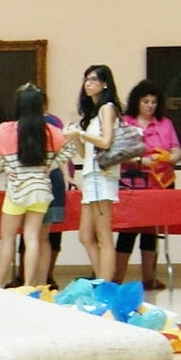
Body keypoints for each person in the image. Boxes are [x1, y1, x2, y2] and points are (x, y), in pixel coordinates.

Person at [0, 84, 64, 289]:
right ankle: (29, 285)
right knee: (33, 238)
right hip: (41, 190)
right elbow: (68, 146)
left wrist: (7, 164)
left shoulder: (8, 129)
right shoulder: (50, 131)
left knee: (7, 240)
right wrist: (51, 164)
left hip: (17, 190)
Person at [65, 62, 137, 281]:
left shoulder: (107, 108)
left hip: (102, 176)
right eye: (86, 79)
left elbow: (105, 142)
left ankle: (106, 285)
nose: (88, 84)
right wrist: (76, 137)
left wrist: (81, 134)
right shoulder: (94, 114)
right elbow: (85, 154)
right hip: (91, 175)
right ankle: (102, 279)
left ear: (105, 84)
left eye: (93, 79)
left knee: (103, 235)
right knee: (85, 235)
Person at [115, 77, 181, 291]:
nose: (150, 106)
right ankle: (116, 279)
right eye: (145, 101)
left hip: (160, 184)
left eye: (154, 102)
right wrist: (140, 161)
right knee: (127, 232)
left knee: (151, 231)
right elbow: (118, 153)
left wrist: (172, 158)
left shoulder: (165, 123)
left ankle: (149, 278)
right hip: (132, 183)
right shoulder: (126, 122)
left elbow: (177, 149)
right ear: (137, 102)